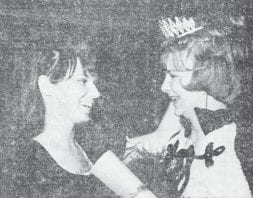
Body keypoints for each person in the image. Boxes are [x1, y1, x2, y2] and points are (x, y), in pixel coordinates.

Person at [4, 41, 156, 198]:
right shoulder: (25, 162)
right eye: (82, 81)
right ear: (46, 85)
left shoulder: (94, 150)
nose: (96, 93)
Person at [124, 14, 252, 198]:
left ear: (207, 77)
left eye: (174, 75)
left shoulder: (230, 150)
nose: (163, 86)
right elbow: (156, 139)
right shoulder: (182, 131)